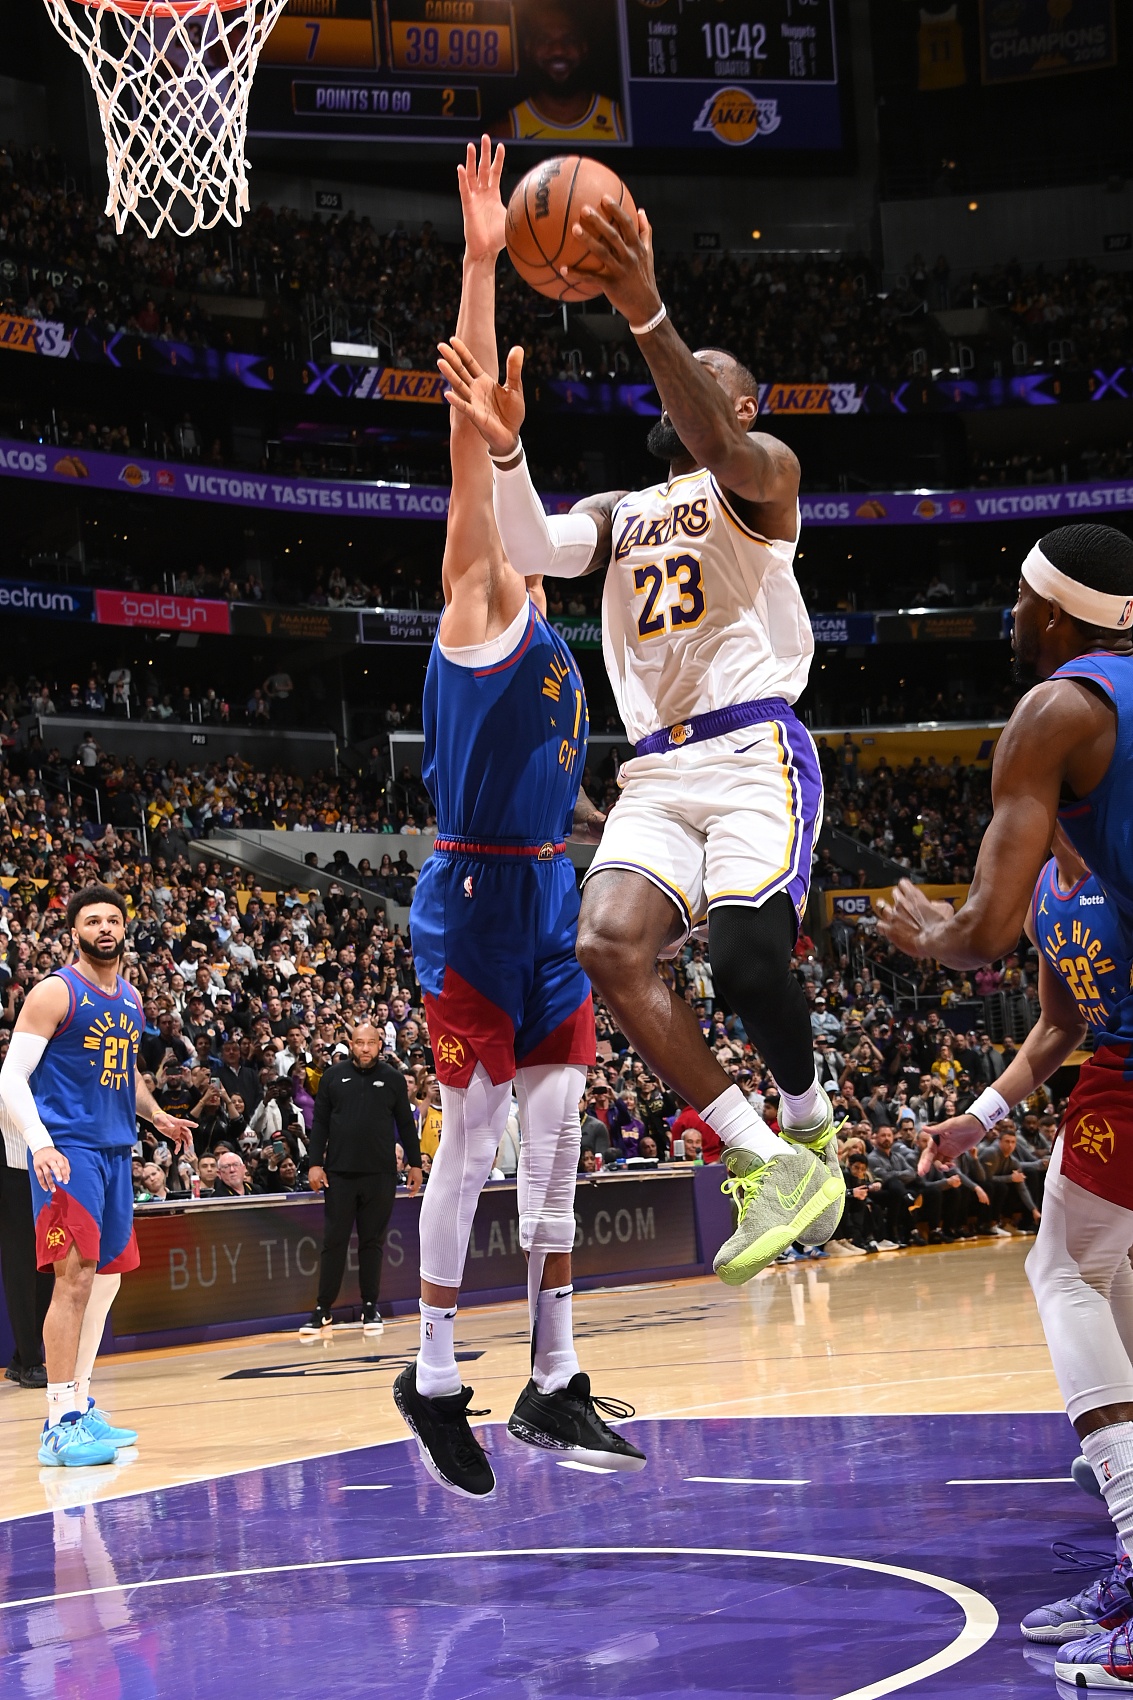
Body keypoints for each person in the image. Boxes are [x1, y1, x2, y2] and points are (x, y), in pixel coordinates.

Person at [443, 177, 843, 1287]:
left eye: (709, 384)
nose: (687, 394)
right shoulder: (620, 510)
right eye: (680, 378)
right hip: (657, 770)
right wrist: (508, 453)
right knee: (605, 947)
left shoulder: (763, 481)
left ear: (741, 410)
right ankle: (764, 1155)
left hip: (753, 749)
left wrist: (645, 308)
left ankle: (809, 1120)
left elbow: (716, 439)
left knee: (747, 960)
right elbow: (531, 548)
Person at [395, 139, 643, 1501]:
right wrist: (484, 261)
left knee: (555, 1146)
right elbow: (468, 435)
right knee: (476, 1138)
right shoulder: (479, 602)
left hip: (548, 890)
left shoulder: (554, 633)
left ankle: (553, 1378)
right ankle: (434, 1376)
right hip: (475, 900)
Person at [875, 524, 1133, 1688]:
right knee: (1100, 1278)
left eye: (1018, 598)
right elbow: (1050, 1026)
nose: (1008, 617)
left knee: (1061, 1268)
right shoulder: (1066, 877)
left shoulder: (1058, 710)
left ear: (1056, 611)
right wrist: (978, 1116)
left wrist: (933, 932)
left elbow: (975, 929)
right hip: (1107, 1053)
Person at [0, 885, 194, 1467]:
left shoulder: (130, 997)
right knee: (74, 1280)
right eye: (92, 920)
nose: (105, 928)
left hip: (114, 1148)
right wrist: (40, 1143)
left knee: (105, 1279)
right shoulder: (55, 992)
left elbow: (125, 1071)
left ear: (125, 928)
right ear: (75, 932)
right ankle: (58, 1422)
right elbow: (11, 1078)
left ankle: (80, 1403)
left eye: (113, 919)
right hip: (69, 1151)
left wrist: (156, 1115)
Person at [301, 1021, 420, 1341]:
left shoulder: (393, 1079)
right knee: (334, 1241)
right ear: (351, 1044)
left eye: (371, 1042)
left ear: (380, 1045)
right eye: (359, 1042)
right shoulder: (332, 1076)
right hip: (339, 1174)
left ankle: (370, 1306)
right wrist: (315, 1164)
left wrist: (415, 1164)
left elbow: (406, 1124)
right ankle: (323, 1308)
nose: (365, 1048)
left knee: (372, 1242)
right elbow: (320, 1124)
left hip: (380, 1174)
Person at [493, 0, 624, 143]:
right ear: (529, 48)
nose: (558, 50)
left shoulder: (622, 123)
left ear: (584, 47)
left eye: (569, 40)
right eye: (544, 40)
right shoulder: (506, 131)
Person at [0, 1112, 53, 1388]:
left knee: (48, 1266)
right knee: (20, 1268)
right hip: (11, 1172)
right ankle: (31, 1362)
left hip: (46, 1170)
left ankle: (23, 1357)